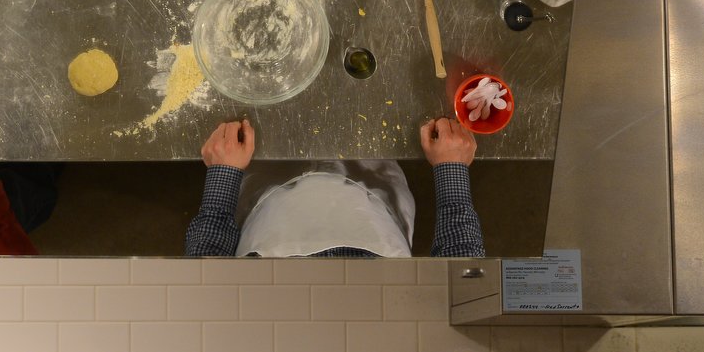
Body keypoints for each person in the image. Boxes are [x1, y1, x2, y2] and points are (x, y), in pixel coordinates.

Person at [184, 117, 484, 257]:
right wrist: (451, 167)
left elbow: (207, 271)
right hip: (370, 191)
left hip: (269, 195)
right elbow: (459, 275)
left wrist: (225, 173)